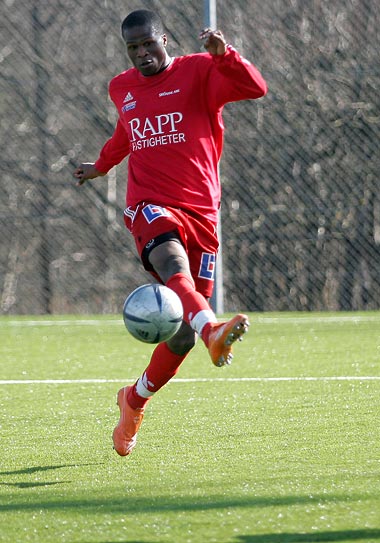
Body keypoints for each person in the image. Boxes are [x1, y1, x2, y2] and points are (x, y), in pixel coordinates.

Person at [73, 9, 267, 456]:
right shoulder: (121, 87)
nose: (142, 54)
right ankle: (213, 330)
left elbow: (255, 88)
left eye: (148, 43)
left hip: (201, 212)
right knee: (172, 266)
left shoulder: (199, 70)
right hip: (149, 204)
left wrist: (226, 57)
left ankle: (134, 398)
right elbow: (127, 133)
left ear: (166, 39)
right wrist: (101, 167)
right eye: (133, 48)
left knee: (178, 336)